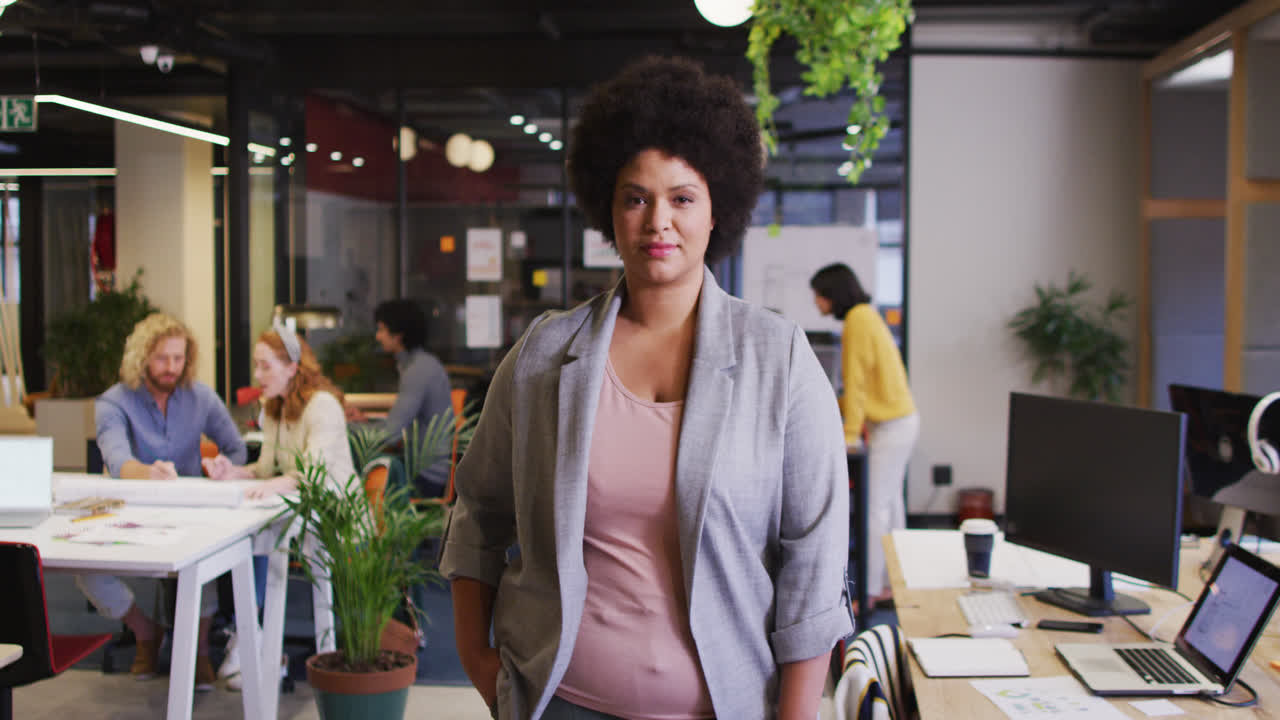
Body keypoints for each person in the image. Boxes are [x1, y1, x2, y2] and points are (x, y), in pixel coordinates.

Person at [440, 56, 852, 720]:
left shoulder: (778, 359)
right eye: (636, 197)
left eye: (682, 198)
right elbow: (478, 514)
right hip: (559, 702)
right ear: (609, 209)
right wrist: (481, 666)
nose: (658, 220)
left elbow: (815, 554)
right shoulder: (546, 354)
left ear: (717, 209)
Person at [81, 312, 247, 689]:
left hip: (187, 511)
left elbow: (236, 448)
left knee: (204, 556)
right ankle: (145, 631)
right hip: (131, 509)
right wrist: (148, 472)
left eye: (179, 358)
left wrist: (221, 469)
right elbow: (118, 460)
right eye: (162, 358)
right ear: (141, 357)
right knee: (85, 570)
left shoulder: (200, 396)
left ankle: (200, 650)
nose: (172, 367)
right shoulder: (113, 402)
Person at [204, 323, 356, 688]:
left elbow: (311, 474)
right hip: (295, 507)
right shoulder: (272, 408)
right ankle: (251, 637)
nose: (258, 375)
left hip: (334, 514)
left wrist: (273, 485)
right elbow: (266, 469)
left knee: (258, 535)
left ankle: (257, 643)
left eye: (265, 366)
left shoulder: (323, 406)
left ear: (292, 366)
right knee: (239, 534)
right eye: (256, 366)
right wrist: (235, 473)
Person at [810, 263, 919, 610]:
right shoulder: (866, 315)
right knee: (890, 508)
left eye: (817, 294)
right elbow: (860, 388)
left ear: (830, 294)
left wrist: (849, 434)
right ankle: (894, 584)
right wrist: (829, 402)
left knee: (873, 510)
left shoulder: (857, 320)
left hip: (889, 427)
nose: (815, 302)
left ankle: (867, 594)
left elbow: (855, 383)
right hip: (902, 421)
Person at [347, 299, 452, 492]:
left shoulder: (418, 370)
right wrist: (365, 422)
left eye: (382, 330)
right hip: (424, 470)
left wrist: (343, 426)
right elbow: (396, 427)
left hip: (425, 477)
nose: (378, 336)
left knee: (353, 481)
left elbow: (389, 434)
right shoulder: (418, 364)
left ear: (398, 335)